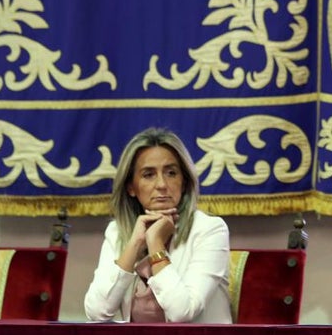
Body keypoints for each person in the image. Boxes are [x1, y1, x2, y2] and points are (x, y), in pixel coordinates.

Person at [84, 127, 232, 323]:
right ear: (131, 187)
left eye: (171, 173)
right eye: (148, 175)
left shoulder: (209, 230)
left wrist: (155, 243)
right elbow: (96, 313)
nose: (162, 184)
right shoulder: (117, 232)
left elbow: (182, 312)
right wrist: (135, 244)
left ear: (184, 182)